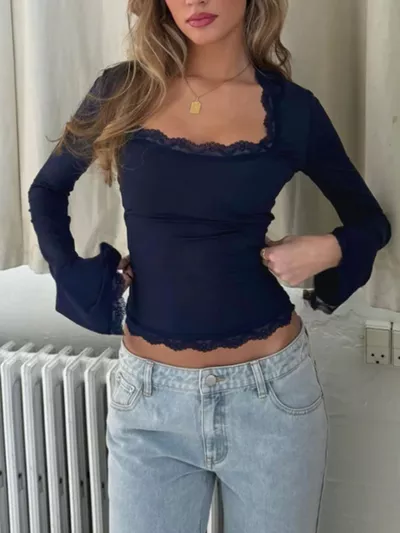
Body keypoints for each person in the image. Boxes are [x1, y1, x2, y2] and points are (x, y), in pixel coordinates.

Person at [28, 0, 392, 532]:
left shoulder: (292, 111)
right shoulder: (123, 90)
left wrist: (329, 249)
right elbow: (47, 189)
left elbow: (370, 223)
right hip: (149, 402)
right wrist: (78, 276)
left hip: (271, 398)